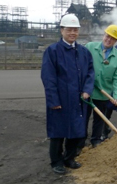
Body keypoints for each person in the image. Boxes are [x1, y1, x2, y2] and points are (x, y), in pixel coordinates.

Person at [41, 14, 95, 175]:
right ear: (62, 30)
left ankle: (69, 158)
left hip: (78, 99)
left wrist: (87, 90)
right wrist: (53, 100)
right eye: (69, 29)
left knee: (76, 130)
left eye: (75, 30)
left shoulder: (84, 52)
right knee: (58, 132)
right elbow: (48, 77)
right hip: (61, 99)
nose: (72, 33)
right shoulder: (53, 51)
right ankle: (56, 161)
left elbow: (90, 73)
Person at [80, 25, 117, 148]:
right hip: (87, 91)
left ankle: (95, 140)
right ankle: (80, 141)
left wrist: (116, 96)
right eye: (107, 36)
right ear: (103, 35)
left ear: (116, 41)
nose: (108, 40)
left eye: (112, 38)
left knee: (99, 119)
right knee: (83, 117)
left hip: (103, 93)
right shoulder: (90, 47)